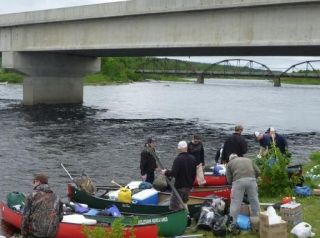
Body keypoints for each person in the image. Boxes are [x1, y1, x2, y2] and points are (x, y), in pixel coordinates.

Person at [21, 173, 63, 238]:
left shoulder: (32, 196)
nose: (33, 184)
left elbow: (25, 218)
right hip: (51, 234)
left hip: (35, 234)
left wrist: (24, 234)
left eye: (34, 181)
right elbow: (60, 217)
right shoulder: (57, 197)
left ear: (38, 182)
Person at [226, 154, 260, 231]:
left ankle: (232, 224)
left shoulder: (230, 163)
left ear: (230, 159)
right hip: (252, 180)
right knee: (254, 200)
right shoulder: (248, 159)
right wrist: (253, 178)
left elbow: (229, 180)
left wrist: (234, 184)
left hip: (238, 182)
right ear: (237, 157)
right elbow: (258, 171)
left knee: (235, 203)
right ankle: (259, 220)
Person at [161, 141, 197, 211]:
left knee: (174, 206)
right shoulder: (193, 158)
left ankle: (177, 219)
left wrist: (165, 172)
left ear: (179, 149)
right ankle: (187, 216)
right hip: (188, 186)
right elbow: (194, 174)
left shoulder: (178, 159)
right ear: (186, 148)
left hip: (179, 186)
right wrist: (191, 185)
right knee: (184, 202)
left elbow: (174, 173)